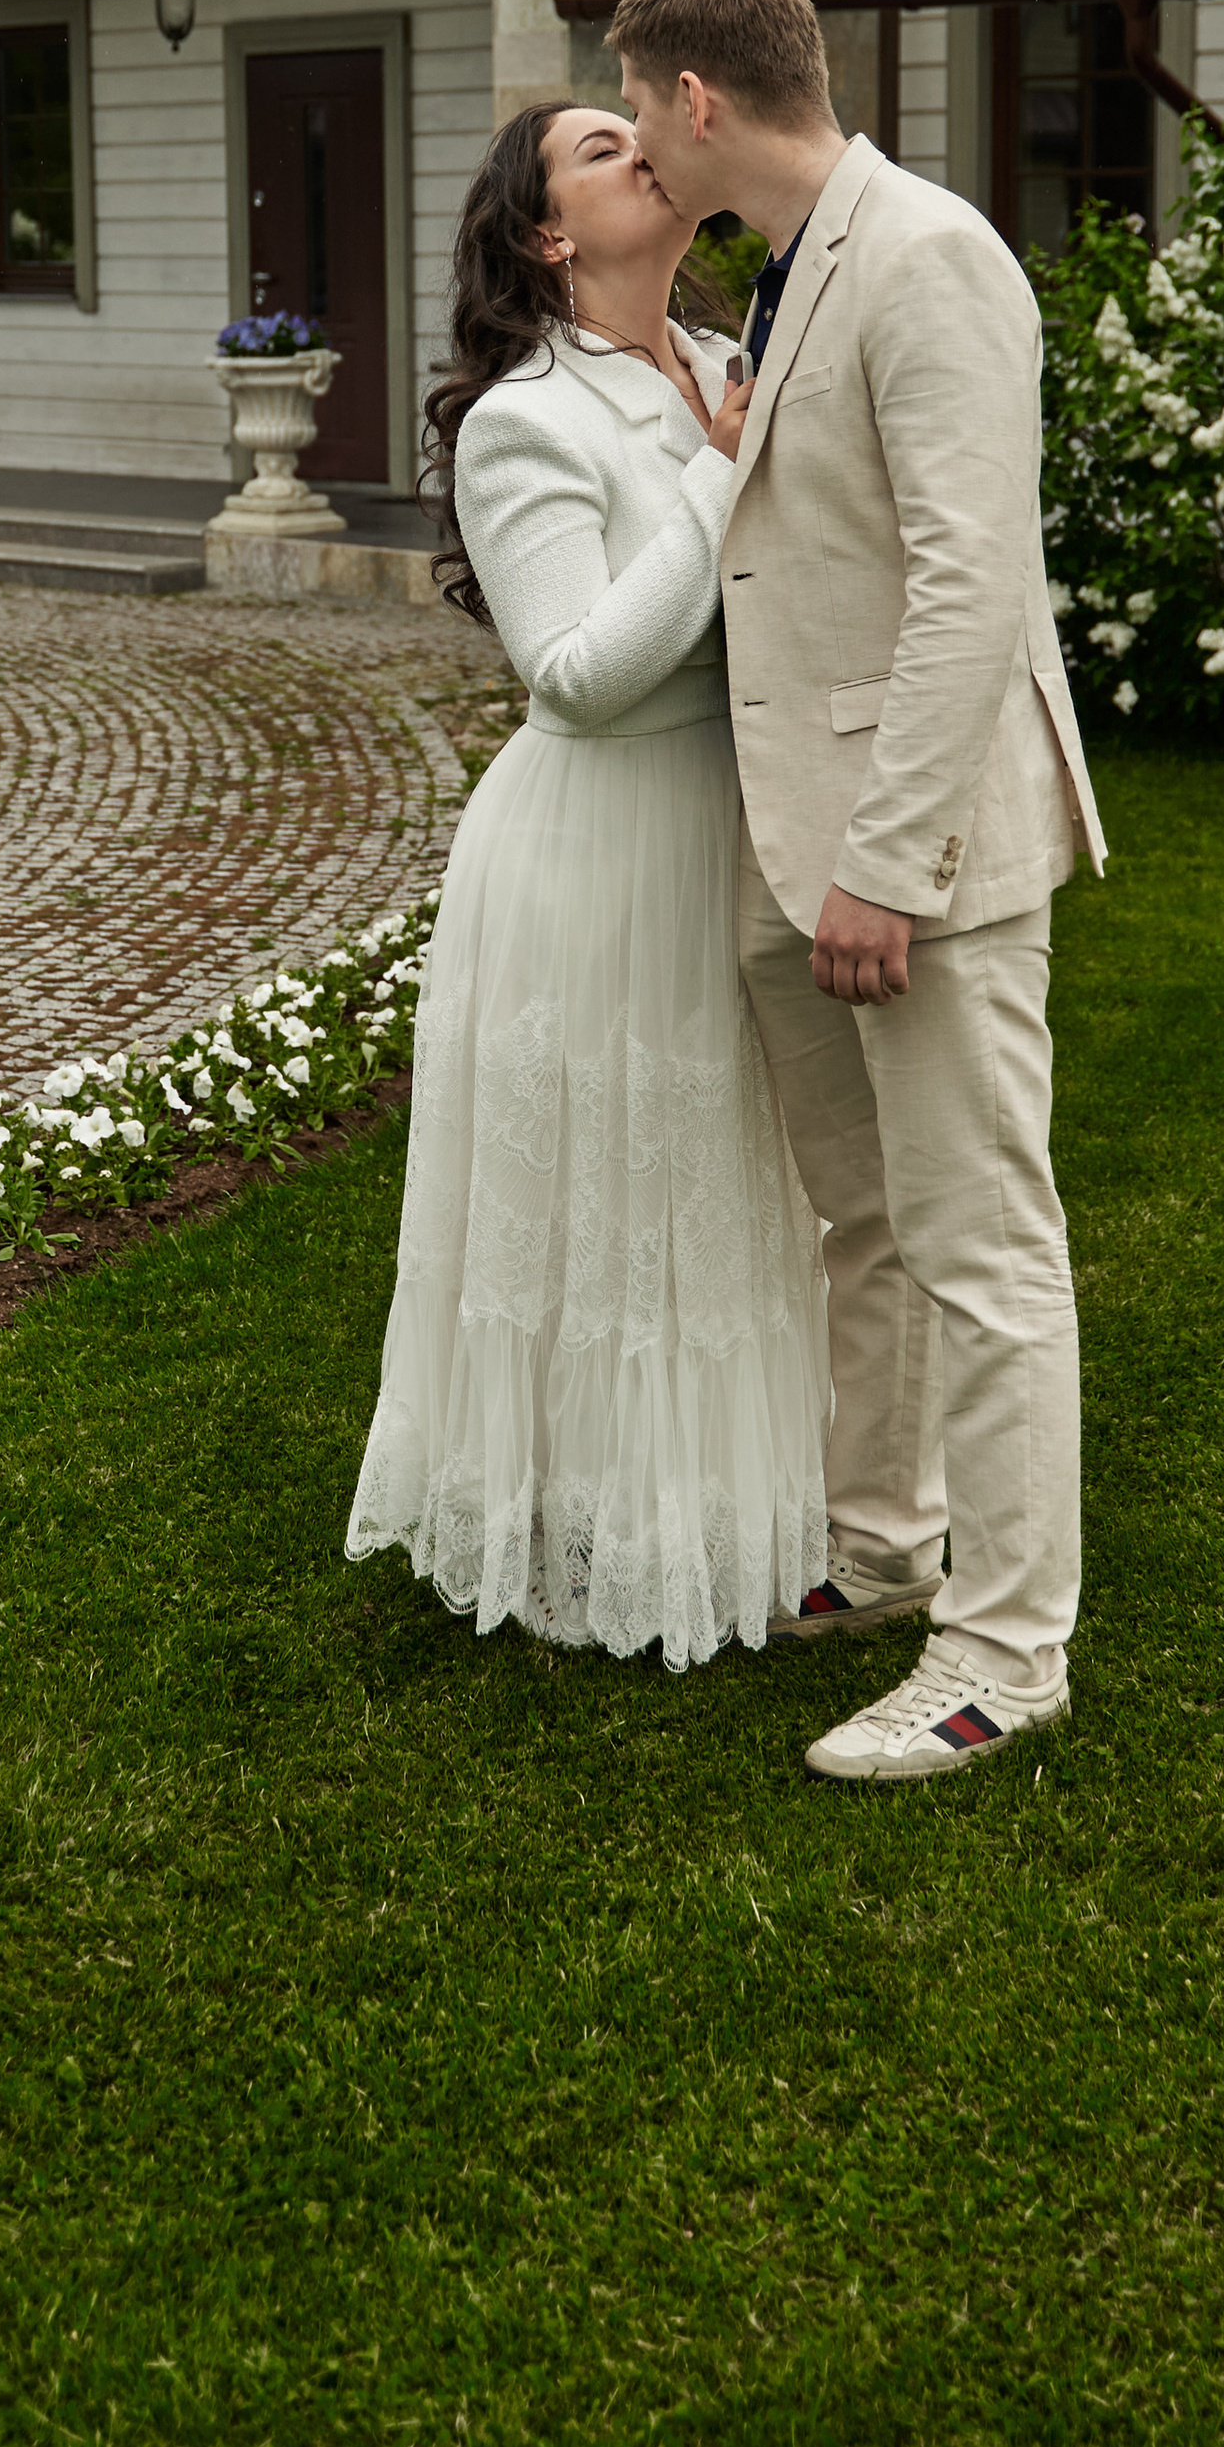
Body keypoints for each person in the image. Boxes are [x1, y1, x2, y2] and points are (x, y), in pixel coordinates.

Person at [609, 0, 1106, 1784]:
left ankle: (1007, 1646)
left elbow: (979, 583)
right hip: (791, 836)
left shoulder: (932, 257)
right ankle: (889, 1546)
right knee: (862, 1219)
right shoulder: (790, 269)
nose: (639, 155)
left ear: (699, 99)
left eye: (641, 111)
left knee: (983, 1240)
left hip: (923, 845)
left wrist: (886, 863)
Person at [345, 103, 831, 1664]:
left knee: (734, 1182)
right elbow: (573, 675)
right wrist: (716, 481)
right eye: (602, 148)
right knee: (606, 1187)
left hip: (740, 822)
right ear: (548, 235)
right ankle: (580, 1533)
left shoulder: (732, 361)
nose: (645, 149)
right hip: (599, 840)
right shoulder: (524, 419)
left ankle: (749, 1513)